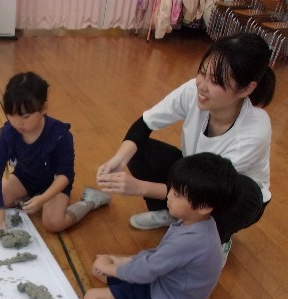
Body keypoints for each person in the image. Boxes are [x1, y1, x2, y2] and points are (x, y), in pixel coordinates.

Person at [96, 33, 274, 260]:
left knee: (244, 193)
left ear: (246, 89)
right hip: (195, 173)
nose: (202, 85)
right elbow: (146, 123)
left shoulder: (254, 130)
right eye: (202, 72)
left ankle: (219, 237)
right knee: (140, 150)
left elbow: (207, 190)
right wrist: (118, 160)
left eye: (216, 81)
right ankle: (173, 213)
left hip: (229, 195)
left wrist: (140, 187)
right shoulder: (195, 91)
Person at [84, 153, 238, 299]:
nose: (169, 196)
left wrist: (112, 267)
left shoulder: (190, 240)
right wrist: (123, 262)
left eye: (177, 194)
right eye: (172, 188)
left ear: (204, 206)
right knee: (101, 269)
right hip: (166, 288)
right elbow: (159, 257)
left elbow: (147, 270)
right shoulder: (199, 224)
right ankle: (130, 298)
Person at [0, 71, 110, 234]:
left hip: (54, 184)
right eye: (11, 115)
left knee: (53, 223)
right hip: (25, 178)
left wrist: (44, 198)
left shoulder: (60, 135)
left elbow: (65, 175)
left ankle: (91, 201)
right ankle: (30, 197)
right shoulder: (9, 132)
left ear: (44, 108)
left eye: (26, 116)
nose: (18, 123)